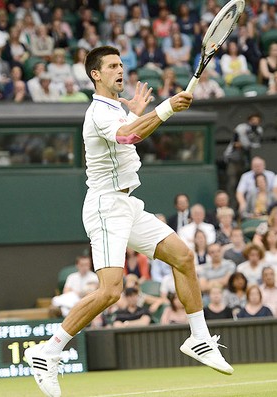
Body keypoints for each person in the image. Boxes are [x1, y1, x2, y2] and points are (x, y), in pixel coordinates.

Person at [25, 45, 233, 397]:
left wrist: (136, 112)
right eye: (112, 66)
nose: (120, 70)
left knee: (183, 257)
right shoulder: (98, 113)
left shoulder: (116, 110)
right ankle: (47, 353)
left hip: (128, 204)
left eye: (122, 64)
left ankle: (198, 339)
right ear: (96, 74)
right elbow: (129, 136)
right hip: (106, 207)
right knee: (110, 292)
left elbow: (129, 128)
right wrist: (167, 108)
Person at [224, 115, 264, 210]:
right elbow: (240, 143)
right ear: (248, 121)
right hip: (234, 160)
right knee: (232, 183)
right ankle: (232, 205)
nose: (255, 122)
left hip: (246, 162)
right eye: (253, 120)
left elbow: (256, 145)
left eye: (257, 121)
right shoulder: (241, 128)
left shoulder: (259, 130)